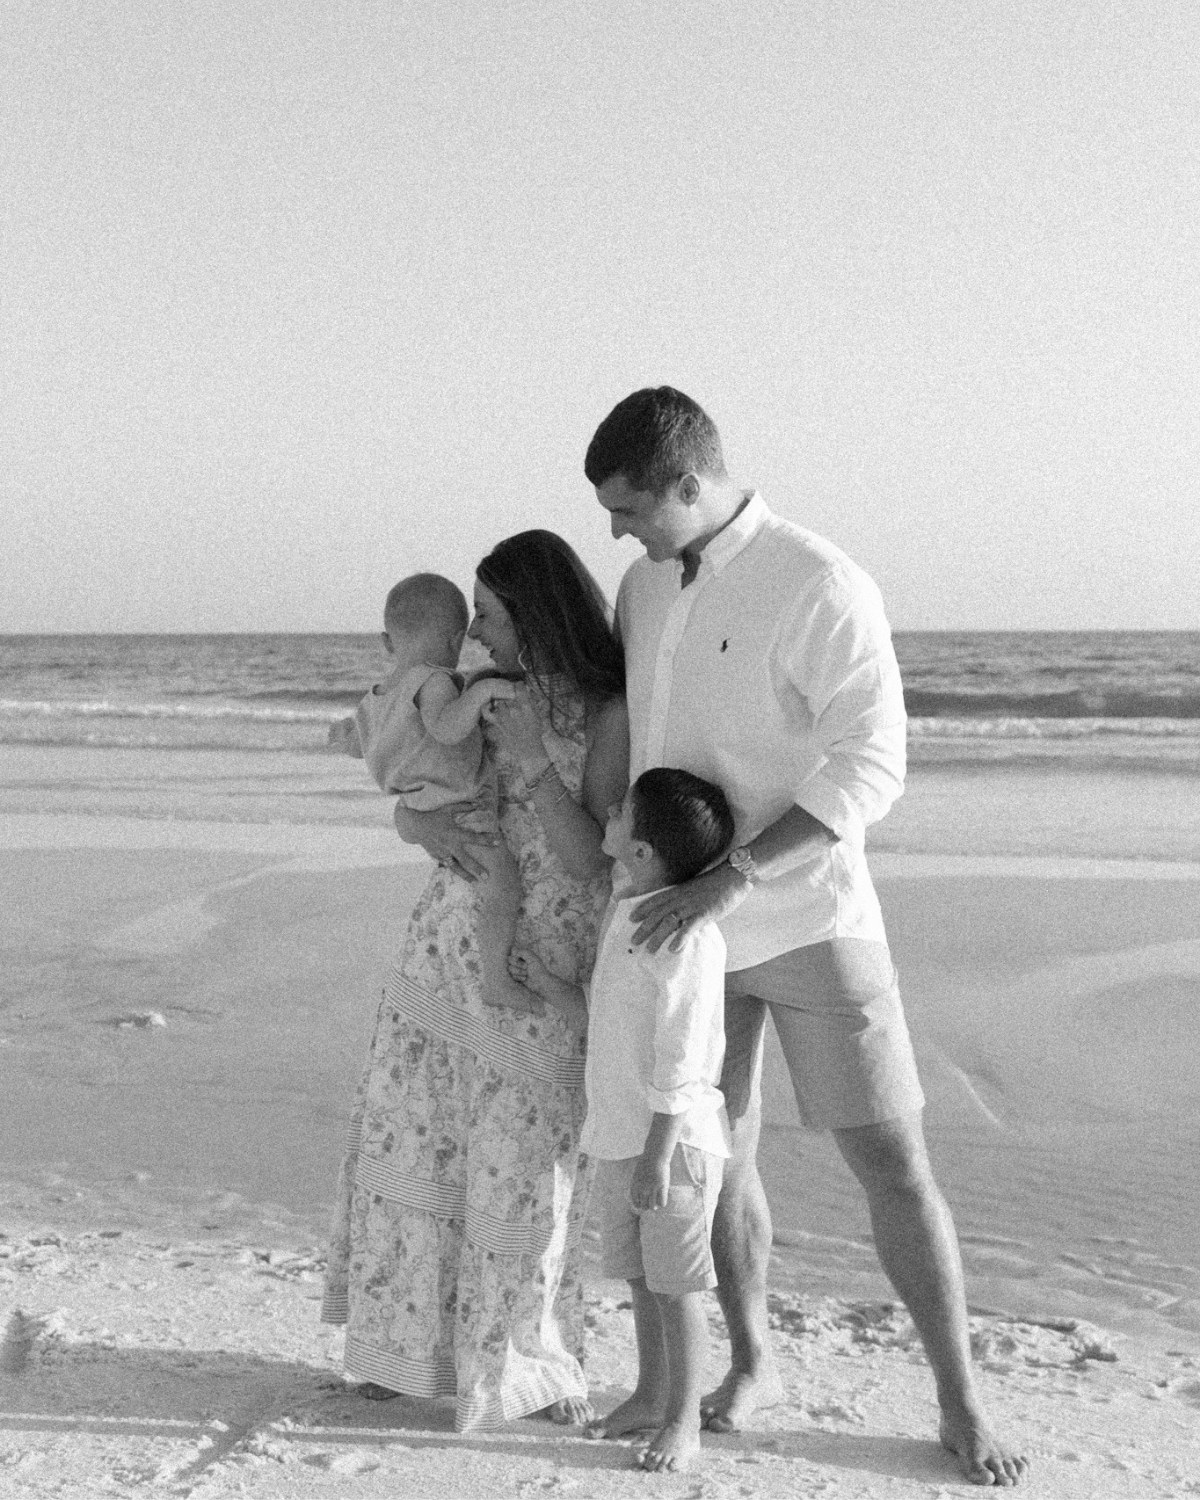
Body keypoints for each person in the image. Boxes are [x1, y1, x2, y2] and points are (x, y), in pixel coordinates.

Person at [585, 387, 1029, 1487]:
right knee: (712, 1156)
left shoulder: (819, 581)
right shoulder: (642, 587)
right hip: (685, 937)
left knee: (892, 1158)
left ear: (690, 484)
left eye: (632, 508)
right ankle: (756, 1366)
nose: (619, 533)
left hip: (811, 914)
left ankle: (962, 1402)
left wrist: (732, 876)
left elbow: (873, 761)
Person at [321, 531, 629, 1432]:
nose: (476, 637)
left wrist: (532, 755)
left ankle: (529, 1362)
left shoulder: (607, 712)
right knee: (418, 1136)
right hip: (449, 931)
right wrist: (419, 832)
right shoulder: (481, 698)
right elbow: (420, 789)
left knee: (525, 1162)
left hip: (544, 953)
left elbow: (587, 864)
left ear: (534, 615)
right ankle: (405, 1354)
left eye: (488, 616)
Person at [511, 767, 735, 1473]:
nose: (608, 809)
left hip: (672, 1146)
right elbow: (608, 1023)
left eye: (622, 811)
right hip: (619, 1135)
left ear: (641, 851)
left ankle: (682, 1421)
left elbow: (683, 1056)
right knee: (640, 1279)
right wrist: (550, 990)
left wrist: (658, 1156)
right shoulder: (628, 907)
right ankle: (646, 1393)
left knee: (678, 1287)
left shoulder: (683, 936)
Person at [328, 572, 529, 1010]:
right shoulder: (434, 680)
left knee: (472, 883)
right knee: (504, 887)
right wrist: (486, 691)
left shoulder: (376, 698)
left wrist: (341, 736)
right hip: (456, 803)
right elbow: (447, 728)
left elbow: (355, 741)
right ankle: (496, 977)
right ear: (456, 638)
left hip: (419, 802)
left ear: (387, 641)